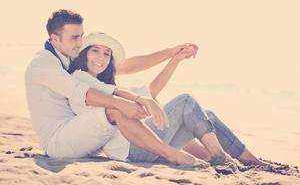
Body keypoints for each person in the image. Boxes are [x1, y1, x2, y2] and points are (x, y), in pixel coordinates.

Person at [67, 32, 266, 170]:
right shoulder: (80, 77)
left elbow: (151, 92)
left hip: (143, 145)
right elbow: (141, 98)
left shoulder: (107, 85)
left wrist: (175, 60)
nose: (101, 57)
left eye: (106, 53)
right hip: (131, 151)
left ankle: (251, 160)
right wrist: (144, 99)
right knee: (186, 101)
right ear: (84, 54)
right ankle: (220, 158)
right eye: (95, 50)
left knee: (208, 116)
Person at [25, 9, 200, 165]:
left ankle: (211, 155)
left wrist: (170, 53)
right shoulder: (43, 63)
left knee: (182, 119)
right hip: (59, 142)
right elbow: (82, 93)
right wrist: (120, 103)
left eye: (81, 36)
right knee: (113, 109)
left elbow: (128, 65)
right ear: (55, 39)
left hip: (86, 135)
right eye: (74, 37)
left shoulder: (71, 57)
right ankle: (172, 155)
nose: (80, 42)